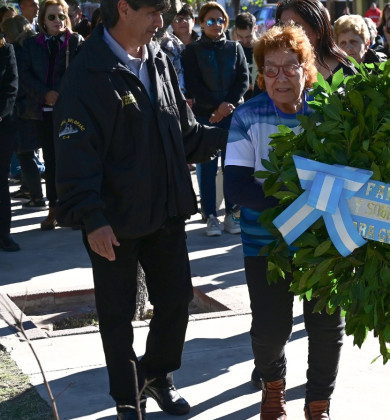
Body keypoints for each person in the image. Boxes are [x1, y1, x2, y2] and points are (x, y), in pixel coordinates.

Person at [54, 0, 228, 416]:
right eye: (152, 13)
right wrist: (92, 218)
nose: (160, 23)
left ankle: (156, 376)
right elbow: (75, 153)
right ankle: (127, 400)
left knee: (175, 301)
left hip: (165, 210)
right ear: (124, 8)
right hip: (112, 222)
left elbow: (184, 134)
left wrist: (231, 135)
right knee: (117, 317)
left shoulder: (160, 61)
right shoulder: (87, 72)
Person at [223, 24, 345, 420]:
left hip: (323, 244)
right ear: (260, 75)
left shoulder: (328, 115)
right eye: (270, 69)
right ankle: (273, 388)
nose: (279, 77)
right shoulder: (247, 116)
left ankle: (318, 403)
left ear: (306, 68)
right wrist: (292, 202)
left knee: (327, 327)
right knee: (271, 330)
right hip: (266, 242)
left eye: (289, 67)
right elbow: (238, 185)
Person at [183, 1, 249, 237]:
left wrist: (226, 106)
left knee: (232, 167)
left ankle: (233, 213)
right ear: (201, 23)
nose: (216, 25)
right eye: (210, 21)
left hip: (232, 115)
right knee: (207, 168)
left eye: (220, 20)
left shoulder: (234, 47)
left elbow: (243, 79)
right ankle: (210, 214)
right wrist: (216, 107)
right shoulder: (191, 51)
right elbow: (193, 84)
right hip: (205, 116)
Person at [17, 0, 84, 230]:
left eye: (61, 16)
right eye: (52, 17)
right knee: (51, 160)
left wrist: (61, 94)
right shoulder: (31, 44)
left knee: (74, 160)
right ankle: (54, 208)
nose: (58, 21)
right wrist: (45, 94)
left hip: (71, 112)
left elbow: (81, 73)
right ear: (43, 21)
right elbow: (23, 75)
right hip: (43, 112)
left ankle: (76, 208)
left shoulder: (75, 42)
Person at [275, 0, 354, 81]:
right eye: (282, 27)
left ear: (318, 31)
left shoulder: (348, 72)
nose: (287, 34)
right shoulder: (272, 70)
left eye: (295, 27)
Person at [0, 30, 19, 251]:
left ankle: (3, 233)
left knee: (1, 181)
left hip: (3, 125)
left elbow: (12, 87)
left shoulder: (6, 49)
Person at [159, 4, 194, 96]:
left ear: (193, 20)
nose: (182, 22)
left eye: (186, 18)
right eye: (177, 19)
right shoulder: (164, 46)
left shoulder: (203, 45)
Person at [234, 12, 258, 101]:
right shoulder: (234, 49)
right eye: (240, 36)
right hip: (240, 101)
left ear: (255, 28)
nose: (244, 41)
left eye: (248, 36)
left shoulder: (264, 49)